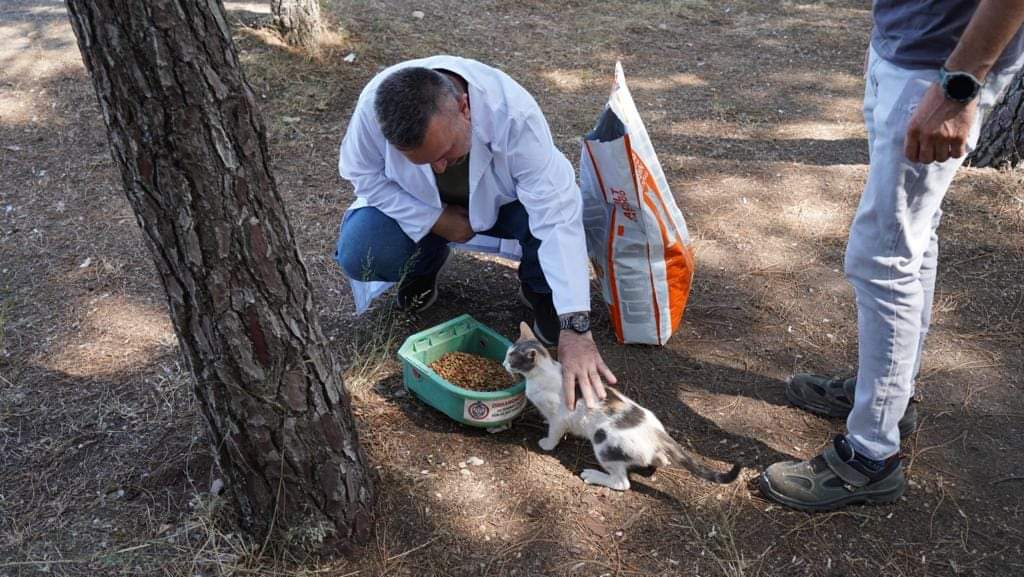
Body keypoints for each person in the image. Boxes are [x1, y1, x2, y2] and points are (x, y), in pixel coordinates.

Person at [760, 0, 1024, 511]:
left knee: (883, 257)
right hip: (915, 52)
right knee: (910, 239)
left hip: (944, 67)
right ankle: (887, 396)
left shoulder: (951, 76)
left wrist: (958, 84)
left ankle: (870, 458)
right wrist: (887, 39)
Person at [335, 56, 616, 410]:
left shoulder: (514, 116)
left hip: (505, 206)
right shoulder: (374, 109)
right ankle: (423, 266)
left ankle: (539, 289)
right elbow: (363, 175)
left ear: (464, 107)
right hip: (425, 207)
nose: (439, 166)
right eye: (422, 161)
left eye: (446, 152)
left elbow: (556, 215)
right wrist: (434, 218)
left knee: (545, 221)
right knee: (362, 251)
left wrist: (575, 326)